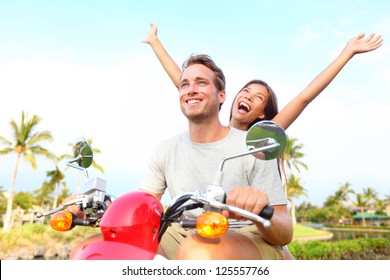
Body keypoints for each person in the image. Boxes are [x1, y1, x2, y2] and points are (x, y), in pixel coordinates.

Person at [139, 54, 293, 260]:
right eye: (184, 84)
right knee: (118, 245)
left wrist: (260, 210)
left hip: (245, 235)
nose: (191, 89)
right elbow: (142, 205)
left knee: (199, 252)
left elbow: (285, 232)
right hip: (182, 233)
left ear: (222, 96)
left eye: (201, 82)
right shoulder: (165, 149)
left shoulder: (254, 147)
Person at [143, 23, 383, 131]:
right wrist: (155, 42)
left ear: (262, 114)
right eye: (245, 91)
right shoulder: (214, 128)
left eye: (258, 97)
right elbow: (185, 83)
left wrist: (347, 52)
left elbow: (304, 97)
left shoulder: (258, 140)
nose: (247, 96)